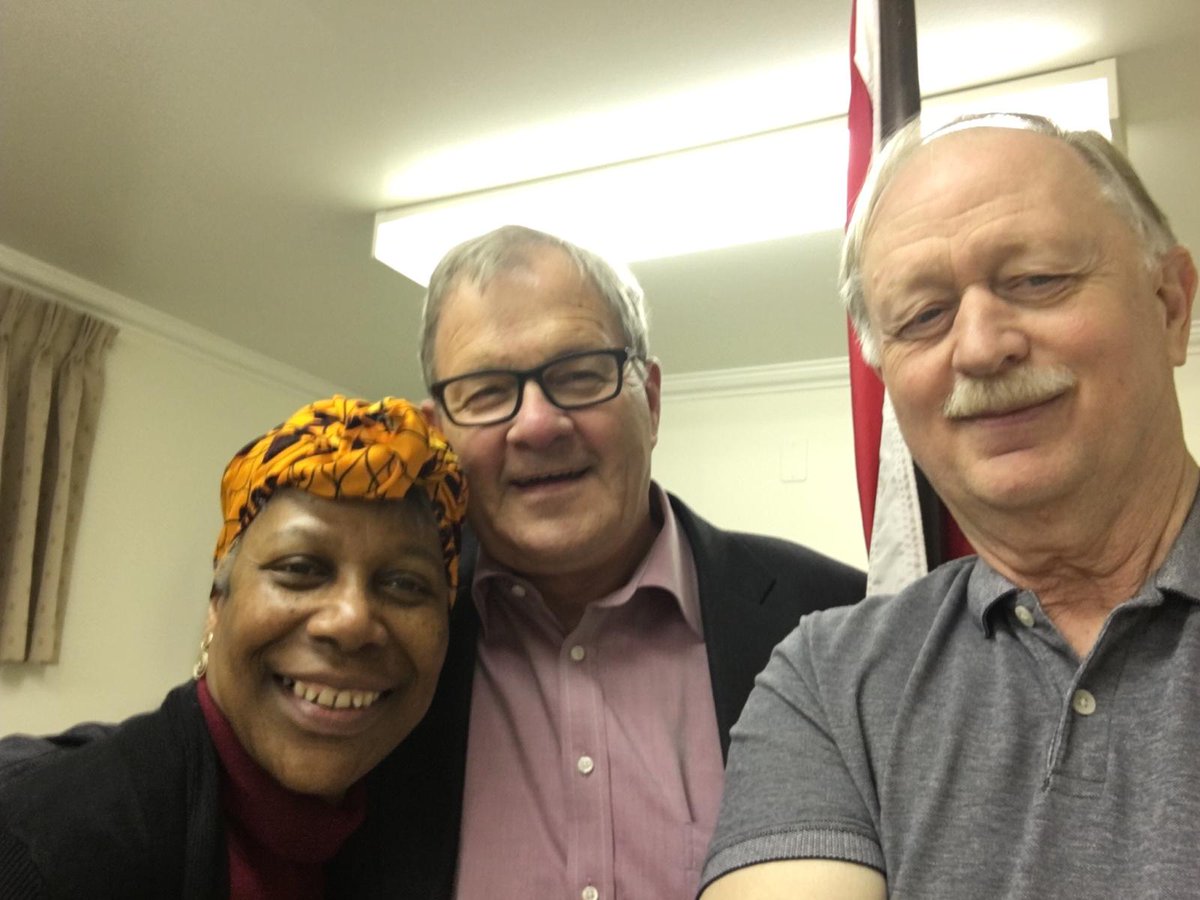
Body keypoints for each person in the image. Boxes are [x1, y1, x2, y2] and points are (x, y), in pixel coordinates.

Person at [699, 112, 1200, 898]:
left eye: (1037, 279)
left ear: (1170, 304)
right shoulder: (831, 684)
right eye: (923, 317)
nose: (980, 346)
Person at [360, 224, 865, 899]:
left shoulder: (842, 621)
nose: (537, 425)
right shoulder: (380, 643)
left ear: (650, 401)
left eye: (579, 376)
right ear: (438, 434)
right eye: (486, 392)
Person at [0, 396, 468, 898]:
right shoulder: (49, 847)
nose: (351, 622)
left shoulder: (420, 844)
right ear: (217, 605)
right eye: (300, 568)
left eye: (405, 584)